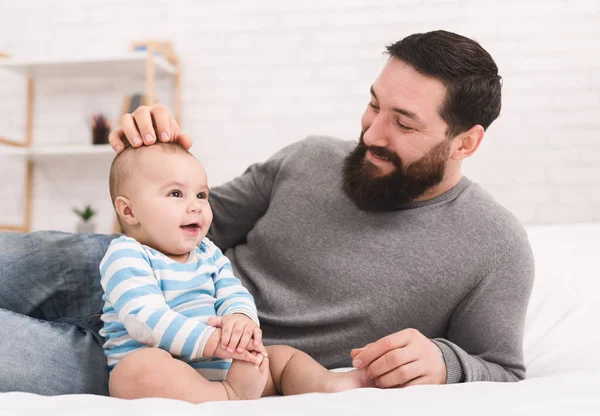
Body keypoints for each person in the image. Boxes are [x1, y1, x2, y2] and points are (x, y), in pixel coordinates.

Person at [0, 30, 534, 395]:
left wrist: (448, 363)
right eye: (374, 104)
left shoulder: (494, 247)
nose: (371, 132)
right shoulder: (310, 157)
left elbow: (505, 371)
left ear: (466, 142)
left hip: (174, 366)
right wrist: (147, 163)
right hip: (128, 270)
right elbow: (192, 223)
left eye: (404, 123)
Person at [102, 142, 374, 402]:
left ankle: (332, 384)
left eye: (201, 195)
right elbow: (146, 320)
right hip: (168, 373)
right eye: (176, 194)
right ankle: (228, 396)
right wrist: (211, 341)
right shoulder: (127, 254)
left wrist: (241, 320)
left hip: (225, 364)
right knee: (136, 370)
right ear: (128, 211)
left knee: (283, 358)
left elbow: (233, 292)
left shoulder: (208, 253)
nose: (196, 205)